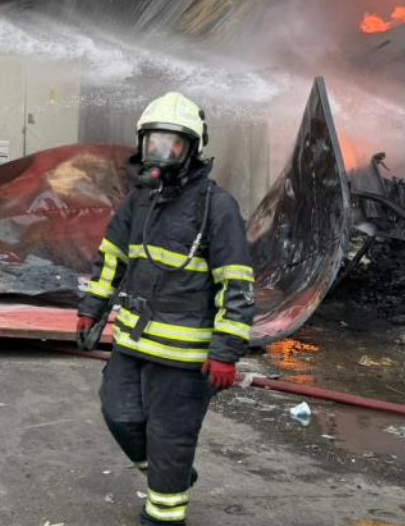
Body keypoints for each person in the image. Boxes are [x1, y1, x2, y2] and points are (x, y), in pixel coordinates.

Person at [75, 92, 255, 526]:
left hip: (184, 357)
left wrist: (225, 352)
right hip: (133, 341)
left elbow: (236, 283)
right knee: (118, 414)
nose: (161, 152)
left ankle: (163, 515)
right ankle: (170, 474)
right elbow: (112, 259)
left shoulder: (217, 206)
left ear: (192, 149)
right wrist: (91, 308)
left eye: (172, 143)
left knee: (169, 437)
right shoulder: (140, 200)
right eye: (153, 141)